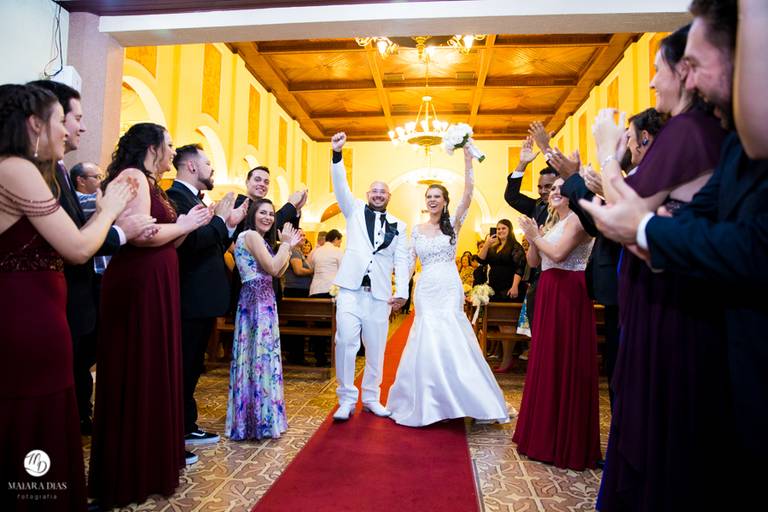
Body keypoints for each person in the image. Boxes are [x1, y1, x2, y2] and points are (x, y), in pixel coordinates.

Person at [581, 2, 765, 508]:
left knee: (667, 422)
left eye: (659, 70)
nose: (653, 83)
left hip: (674, 301)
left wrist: (607, 162)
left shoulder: (688, 132)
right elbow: (666, 215)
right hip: (665, 282)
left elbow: (634, 211)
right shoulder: (723, 141)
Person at [0, 83, 134, 512]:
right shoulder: (15, 168)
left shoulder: (24, 170)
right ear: (33, 124)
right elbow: (76, 247)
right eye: (61, 120)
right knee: (30, 425)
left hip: (38, 318)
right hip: (24, 323)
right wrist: (110, 208)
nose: (67, 131)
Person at [88, 123, 211, 508]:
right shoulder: (132, 177)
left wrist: (192, 225)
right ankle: (129, 468)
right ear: (152, 146)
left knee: (156, 367)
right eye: (170, 145)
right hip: (138, 281)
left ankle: (154, 460)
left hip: (159, 276)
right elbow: (142, 233)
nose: (174, 152)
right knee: (137, 365)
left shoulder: (153, 184)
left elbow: (168, 234)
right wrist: (186, 223)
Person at [28, 79, 155, 434]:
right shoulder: (32, 172)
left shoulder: (56, 171)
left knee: (70, 382)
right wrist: (114, 220)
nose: (83, 126)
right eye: (76, 117)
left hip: (67, 297)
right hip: (46, 300)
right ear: (46, 119)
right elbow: (75, 244)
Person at [387, 145, 510, 427]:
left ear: (444, 201)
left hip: (448, 285)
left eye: (437, 197)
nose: (432, 200)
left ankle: (467, 398)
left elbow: (468, 195)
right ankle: (430, 400)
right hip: (426, 286)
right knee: (426, 337)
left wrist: (468, 159)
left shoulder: (453, 225)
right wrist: (400, 294)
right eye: (428, 196)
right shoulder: (416, 229)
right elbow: (408, 264)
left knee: (453, 335)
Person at [513, 177, 600, 471]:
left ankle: (563, 440)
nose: (554, 193)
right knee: (546, 360)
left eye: (561, 189)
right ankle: (541, 434)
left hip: (568, 292)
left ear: (574, 194)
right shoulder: (551, 223)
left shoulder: (578, 222)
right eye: (552, 189)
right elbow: (535, 262)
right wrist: (533, 238)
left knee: (565, 360)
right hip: (549, 289)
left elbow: (560, 254)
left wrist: (536, 237)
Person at [166, 144, 248, 451]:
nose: (212, 169)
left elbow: (210, 244)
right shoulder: (176, 198)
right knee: (185, 365)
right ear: (190, 167)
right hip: (189, 297)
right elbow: (190, 244)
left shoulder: (192, 198)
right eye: (208, 163)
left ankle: (186, 424)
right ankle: (179, 429)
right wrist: (220, 221)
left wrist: (227, 224)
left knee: (191, 365)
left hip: (201, 299)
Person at [329, 132, 409, 422]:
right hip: (350, 289)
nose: (378, 194)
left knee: (376, 349)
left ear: (389, 196)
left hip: (379, 295)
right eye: (374, 191)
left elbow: (402, 260)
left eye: (383, 192)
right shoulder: (353, 210)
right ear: (367, 194)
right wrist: (337, 155)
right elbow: (340, 187)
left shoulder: (400, 225)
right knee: (346, 340)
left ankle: (372, 397)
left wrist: (402, 291)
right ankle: (346, 399)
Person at [226, 198, 303, 440]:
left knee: (262, 358)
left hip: (264, 302)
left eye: (271, 213)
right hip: (256, 305)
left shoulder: (258, 239)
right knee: (257, 359)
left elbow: (278, 272)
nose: (268, 217)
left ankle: (262, 418)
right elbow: (272, 267)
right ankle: (256, 421)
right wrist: (287, 245)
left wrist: (287, 247)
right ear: (252, 215)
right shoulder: (250, 235)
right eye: (263, 212)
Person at [476, 218, 527, 372]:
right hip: (495, 289)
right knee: (500, 325)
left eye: (503, 228)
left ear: (509, 230)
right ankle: (505, 358)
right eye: (498, 229)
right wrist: (486, 244)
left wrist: (515, 286)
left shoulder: (515, 246)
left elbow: (520, 267)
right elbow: (480, 259)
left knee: (507, 326)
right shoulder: (494, 246)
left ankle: (507, 360)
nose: (500, 231)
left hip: (509, 290)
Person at [282, 229, 314, 364]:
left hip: (299, 290)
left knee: (299, 323)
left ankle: (296, 355)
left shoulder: (298, 251)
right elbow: (298, 270)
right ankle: (296, 356)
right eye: (300, 235)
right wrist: (315, 270)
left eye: (304, 235)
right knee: (297, 323)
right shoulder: (294, 250)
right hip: (295, 290)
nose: (303, 237)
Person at [309, 228, 343, 298]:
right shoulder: (337, 251)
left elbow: (311, 267)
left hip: (315, 289)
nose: (339, 245)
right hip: (330, 288)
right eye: (340, 242)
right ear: (336, 239)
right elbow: (342, 270)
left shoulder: (316, 251)